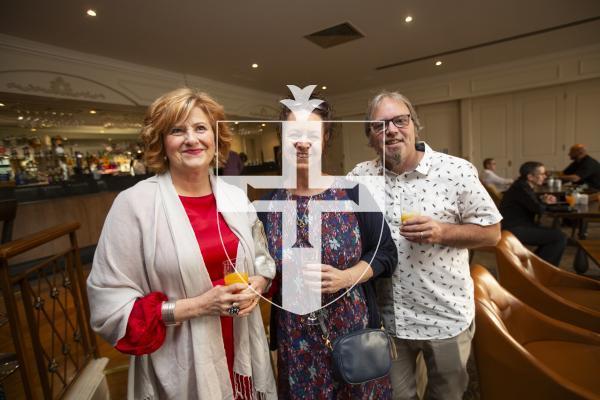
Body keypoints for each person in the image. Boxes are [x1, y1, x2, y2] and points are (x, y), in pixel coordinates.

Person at [87, 88, 277, 399]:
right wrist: (198, 306)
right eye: (177, 130)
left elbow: (262, 257)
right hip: (182, 360)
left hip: (243, 342)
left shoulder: (235, 196)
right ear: (161, 142)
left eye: (200, 128)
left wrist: (259, 279)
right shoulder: (135, 205)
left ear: (215, 139)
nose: (191, 139)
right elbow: (108, 306)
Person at [348, 91, 501, 400]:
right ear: (370, 136)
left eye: (399, 121)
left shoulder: (456, 171)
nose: (391, 130)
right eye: (379, 125)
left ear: (414, 125)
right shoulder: (358, 178)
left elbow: (492, 233)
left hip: (444, 316)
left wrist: (443, 231)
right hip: (386, 319)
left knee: (447, 394)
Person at [260, 92, 397, 399]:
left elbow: (387, 253)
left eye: (312, 134)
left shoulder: (353, 194)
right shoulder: (269, 203)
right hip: (295, 338)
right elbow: (261, 263)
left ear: (326, 137)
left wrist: (348, 277)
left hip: (353, 330)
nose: (302, 142)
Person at [500, 161, 567, 266]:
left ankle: (535, 266)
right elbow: (538, 209)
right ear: (530, 177)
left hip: (517, 226)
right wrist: (545, 202)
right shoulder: (521, 188)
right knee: (559, 237)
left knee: (555, 234)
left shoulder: (522, 185)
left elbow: (531, 203)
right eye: (542, 174)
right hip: (513, 229)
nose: (545, 176)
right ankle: (542, 269)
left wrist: (542, 199)